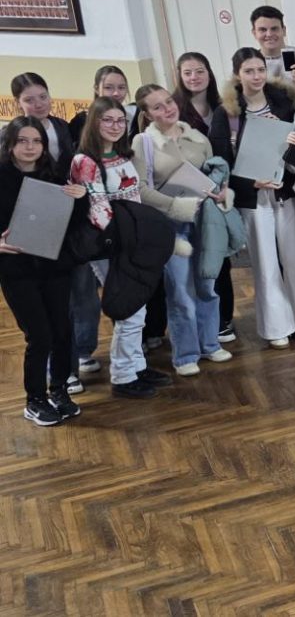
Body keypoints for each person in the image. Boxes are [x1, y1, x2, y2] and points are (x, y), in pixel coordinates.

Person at [213, 47, 295, 348]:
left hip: (285, 192)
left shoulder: (284, 102)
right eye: (249, 71)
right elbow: (221, 162)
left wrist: (287, 141)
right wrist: (250, 182)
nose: (256, 76)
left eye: (260, 69)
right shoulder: (227, 113)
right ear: (238, 75)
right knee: (265, 262)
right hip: (253, 197)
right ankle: (276, 328)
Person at [131, 84, 234, 377]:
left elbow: (217, 175)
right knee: (180, 292)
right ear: (147, 114)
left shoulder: (198, 138)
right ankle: (186, 354)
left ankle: (210, 344)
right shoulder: (143, 143)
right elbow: (140, 189)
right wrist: (175, 206)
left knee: (207, 287)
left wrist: (221, 192)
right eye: (157, 106)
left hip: (204, 220)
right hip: (169, 225)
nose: (167, 109)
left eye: (168, 101)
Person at [70, 99, 169, 399]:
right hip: (110, 245)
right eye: (107, 120)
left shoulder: (123, 154)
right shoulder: (85, 161)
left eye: (120, 120)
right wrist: (130, 236)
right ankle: (124, 375)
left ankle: (137, 366)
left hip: (132, 241)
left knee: (137, 308)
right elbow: (97, 209)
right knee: (128, 310)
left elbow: (134, 196)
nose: (115, 126)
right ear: (94, 122)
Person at [0, 116, 88, 425]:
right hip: (16, 269)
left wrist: (81, 199)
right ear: (10, 144)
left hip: (54, 265)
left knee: (62, 331)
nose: (30, 147)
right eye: (22, 141)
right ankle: (34, 399)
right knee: (39, 335)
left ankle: (59, 390)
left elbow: (73, 223)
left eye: (36, 141)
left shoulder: (55, 177)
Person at [12, 72, 88, 392]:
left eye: (43, 96)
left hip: (64, 227)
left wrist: (78, 196)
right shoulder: (10, 146)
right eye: (29, 99)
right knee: (45, 320)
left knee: (72, 305)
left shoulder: (61, 128)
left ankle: (71, 366)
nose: (38, 104)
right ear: (18, 103)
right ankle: (55, 378)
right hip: (26, 239)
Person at [172, 52, 237, 342]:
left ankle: (224, 319)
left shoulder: (225, 107)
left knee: (221, 256)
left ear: (209, 73)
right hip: (190, 194)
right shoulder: (174, 110)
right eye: (187, 72)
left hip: (221, 192)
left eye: (200, 71)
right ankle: (199, 323)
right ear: (179, 76)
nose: (194, 77)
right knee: (194, 260)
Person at [250, 5, 295, 84]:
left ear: (284, 30)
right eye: (263, 30)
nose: (269, 34)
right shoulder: (249, 64)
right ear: (254, 33)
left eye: (274, 29)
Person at [70, 66, 137, 142]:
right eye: (108, 87)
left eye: (121, 87)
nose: (116, 93)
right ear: (96, 89)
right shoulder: (81, 121)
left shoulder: (136, 116)